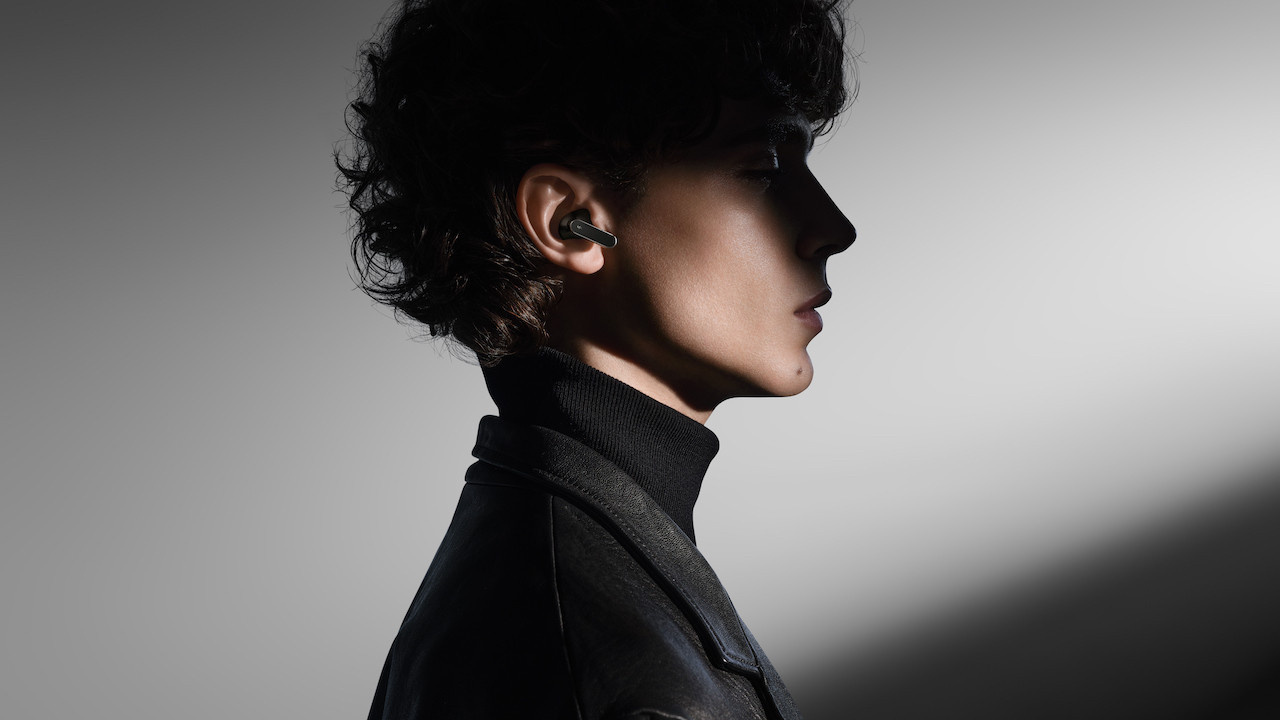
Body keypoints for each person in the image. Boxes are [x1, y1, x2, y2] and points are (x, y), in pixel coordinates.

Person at [339, 0, 856, 717]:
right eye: (762, 170)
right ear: (569, 223)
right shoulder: (594, 657)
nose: (833, 227)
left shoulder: (553, 560)